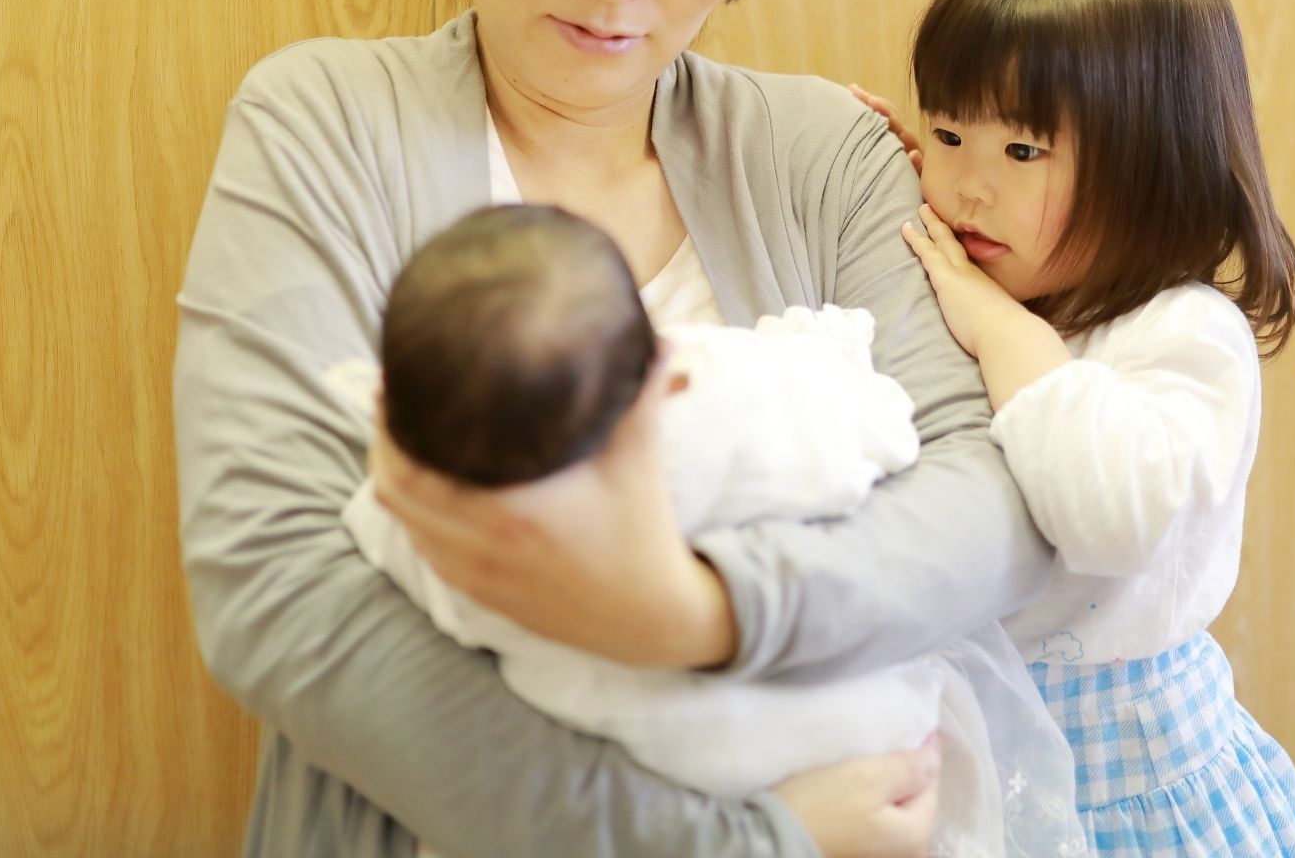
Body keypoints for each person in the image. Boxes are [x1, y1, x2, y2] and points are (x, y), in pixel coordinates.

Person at [174, 0, 1056, 858]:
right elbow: (282, 592)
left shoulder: (826, 154)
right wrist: (737, 840)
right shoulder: (323, 124)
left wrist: (692, 611)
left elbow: (990, 508)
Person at [340, 204, 1074, 858]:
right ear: (666, 369)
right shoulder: (720, 412)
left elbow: (373, 532)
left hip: (626, 768)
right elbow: (877, 435)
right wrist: (833, 353)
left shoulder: (442, 509)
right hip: (835, 747)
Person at [855, 0, 1295, 855]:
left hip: (1128, 788)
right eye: (948, 136)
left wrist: (997, 328)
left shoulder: (1183, 333)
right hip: (959, 756)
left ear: (1153, 166)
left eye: (1022, 153)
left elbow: (1110, 514)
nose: (965, 189)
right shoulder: (962, 281)